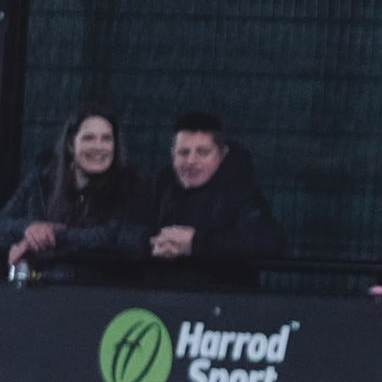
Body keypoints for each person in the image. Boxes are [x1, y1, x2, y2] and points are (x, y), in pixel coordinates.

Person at [1, 107, 152, 281]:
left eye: (106, 139)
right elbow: (3, 223)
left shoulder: (130, 185)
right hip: (38, 286)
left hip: (97, 288)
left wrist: (48, 237)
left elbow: (113, 237)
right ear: (71, 144)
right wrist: (29, 229)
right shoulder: (42, 178)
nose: (99, 147)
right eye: (89, 138)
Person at [148, 111, 286, 285]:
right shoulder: (163, 187)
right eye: (183, 152)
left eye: (202, 152)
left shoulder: (241, 193)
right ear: (172, 155)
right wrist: (152, 244)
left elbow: (268, 244)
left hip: (220, 297)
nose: (191, 161)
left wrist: (195, 243)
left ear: (222, 154)